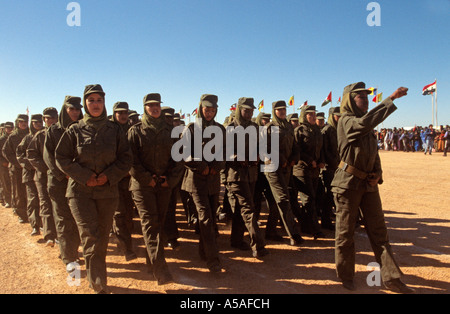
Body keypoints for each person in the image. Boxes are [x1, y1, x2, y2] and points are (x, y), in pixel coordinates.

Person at [331, 82, 414, 293]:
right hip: (347, 185)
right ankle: (346, 275)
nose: (366, 101)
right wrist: (391, 98)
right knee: (345, 233)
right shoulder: (347, 121)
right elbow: (365, 123)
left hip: (368, 186)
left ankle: (391, 278)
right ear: (350, 100)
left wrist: (378, 174)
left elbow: (373, 154)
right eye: (362, 98)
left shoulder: (365, 126)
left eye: (367, 98)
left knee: (379, 233)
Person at [55, 84, 132, 293]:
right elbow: (60, 157)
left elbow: (126, 159)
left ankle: (94, 275)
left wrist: (109, 176)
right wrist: (84, 176)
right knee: (90, 234)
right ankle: (99, 284)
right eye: (91, 101)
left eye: (99, 100)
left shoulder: (114, 130)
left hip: (108, 192)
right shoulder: (75, 129)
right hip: (80, 192)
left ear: (104, 103)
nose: (95, 104)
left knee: (103, 237)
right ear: (85, 104)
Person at [128, 93, 184, 284]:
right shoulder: (135, 131)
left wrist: (170, 179)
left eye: (157, 105)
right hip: (142, 186)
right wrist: (147, 179)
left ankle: (150, 262)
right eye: (150, 105)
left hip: (164, 185)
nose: (154, 108)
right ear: (144, 108)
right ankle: (161, 271)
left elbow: (179, 158)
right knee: (150, 223)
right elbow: (131, 160)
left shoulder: (171, 130)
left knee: (157, 224)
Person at [181, 94, 226, 272]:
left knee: (211, 218)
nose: (209, 113)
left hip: (213, 179)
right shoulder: (191, 128)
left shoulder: (220, 129)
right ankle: (213, 260)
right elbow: (183, 153)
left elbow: (226, 152)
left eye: (213, 110)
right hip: (196, 180)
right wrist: (202, 167)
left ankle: (204, 251)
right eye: (207, 110)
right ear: (201, 109)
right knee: (205, 217)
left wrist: (216, 167)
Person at [225, 97, 268, 258]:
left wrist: (258, 155)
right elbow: (223, 151)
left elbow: (259, 146)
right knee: (248, 208)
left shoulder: (255, 127)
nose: (249, 113)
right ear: (239, 110)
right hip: (235, 175)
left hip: (251, 175)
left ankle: (236, 240)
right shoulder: (230, 128)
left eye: (251, 111)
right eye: (246, 110)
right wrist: (237, 156)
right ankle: (258, 245)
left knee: (240, 209)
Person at [43, 96, 83, 270]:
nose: (75, 112)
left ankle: (71, 251)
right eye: (71, 109)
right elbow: (49, 158)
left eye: (77, 109)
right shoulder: (54, 131)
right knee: (63, 219)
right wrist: (65, 174)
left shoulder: (82, 129)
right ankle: (69, 257)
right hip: (59, 182)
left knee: (76, 219)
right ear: (64, 110)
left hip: (78, 182)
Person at [264, 100, 303, 246]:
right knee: (283, 199)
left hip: (286, 168)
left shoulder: (288, 126)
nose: (282, 112)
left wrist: (294, 158)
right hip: (272, 168)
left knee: (276, 201)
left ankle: (270, 231)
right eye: (279, 110)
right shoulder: (269, 127)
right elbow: (266, 148)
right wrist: (280, 159)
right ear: (274, 111)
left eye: (284, 110)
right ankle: (294, 234)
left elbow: (295, 146)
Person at [27, 108, 60, 245]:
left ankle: (60, 234)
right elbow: (31, 154)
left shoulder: (62, 133)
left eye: (52, 118)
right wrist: (46, 167)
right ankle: (49, 235)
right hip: (43, 176)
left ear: (57, 118)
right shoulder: (40, 136)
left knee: (59, 206)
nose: (50, 120)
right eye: (47, 118)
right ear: (44, 120)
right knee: (45, 204)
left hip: (59, 176)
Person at [109, 101, 137, 261]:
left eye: (125, 112)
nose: (123, 115)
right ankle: (126, 248)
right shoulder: (109, 130)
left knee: (128, 213)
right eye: (120, 113)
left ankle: (125, 242)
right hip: (114, 179)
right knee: (118, 213)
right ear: (114, 113)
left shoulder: (131, 129)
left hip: (130, 179)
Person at [293, 105, 325, 239]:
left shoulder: (317, 131)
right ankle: (315, 229)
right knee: (308, 199)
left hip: (314, 170)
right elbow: (296, 150)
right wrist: (309, 160)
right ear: (304, 116)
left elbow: (321, 149)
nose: (313, 117)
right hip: (301, 170)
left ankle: (306, 225)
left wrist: (321, 161)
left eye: (314, 114)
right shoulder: (299, 130)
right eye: (310, 114)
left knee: (313, 198)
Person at [3, 114, 30, 223]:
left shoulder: (30, 134)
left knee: (30, 192)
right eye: (21, 121)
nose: (23, 123)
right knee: (18, 192)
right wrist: (17, 163)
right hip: (17, 169)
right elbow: (6, 152)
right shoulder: (13, 137)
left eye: (25, 121)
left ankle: (32, 214)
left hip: (29, 167)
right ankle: (22, 214)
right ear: (17, 123)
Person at [320, 107, 341, 230]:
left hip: (337, 167)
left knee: (334, 194)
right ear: (332, 116)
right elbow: (324, 150)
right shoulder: (327, 130)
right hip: (328, 168)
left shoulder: (339, 129)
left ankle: (329, 219)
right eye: (337, 115)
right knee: (328, 195)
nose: (339, 117)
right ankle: (325, 221)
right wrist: (332, 162)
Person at [0, 122, 14, 208]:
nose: (9, 129)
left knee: (14, 184)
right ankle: (7, 200)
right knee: (5, 183)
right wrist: (2, 162)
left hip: (13, 164)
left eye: (11, 127)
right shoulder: (1, 140)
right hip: (4, 165)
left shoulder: (14, 137)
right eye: (7, 128)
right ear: (5, 129)